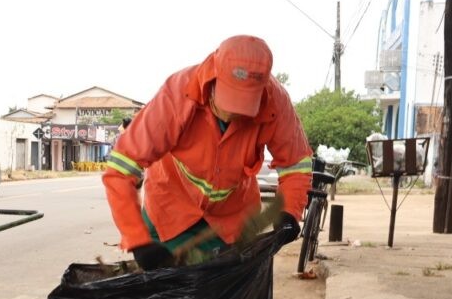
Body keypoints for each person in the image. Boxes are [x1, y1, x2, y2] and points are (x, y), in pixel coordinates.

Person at [104, 35, 312, 270]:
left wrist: (290, 212)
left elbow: (296, 165)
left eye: (244, 106)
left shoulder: (276, 102)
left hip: (232, 222)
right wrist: (137, 240)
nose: (234, 114)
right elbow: (120, 169)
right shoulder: (177, 95)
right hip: (169, 210)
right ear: (213, 78)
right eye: (229, 101)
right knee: (170, 298)